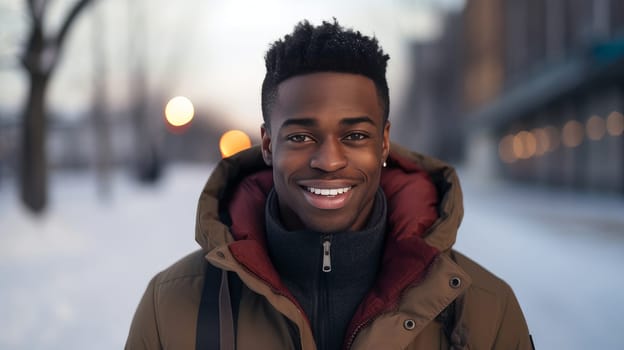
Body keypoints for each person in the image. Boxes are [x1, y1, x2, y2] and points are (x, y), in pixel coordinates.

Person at [126, 19, 534, 350]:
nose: (329, 161)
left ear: (384, 142)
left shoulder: (484, 310)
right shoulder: (171, 307)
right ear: (268, 144)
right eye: (301, 137)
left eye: (354, 136)